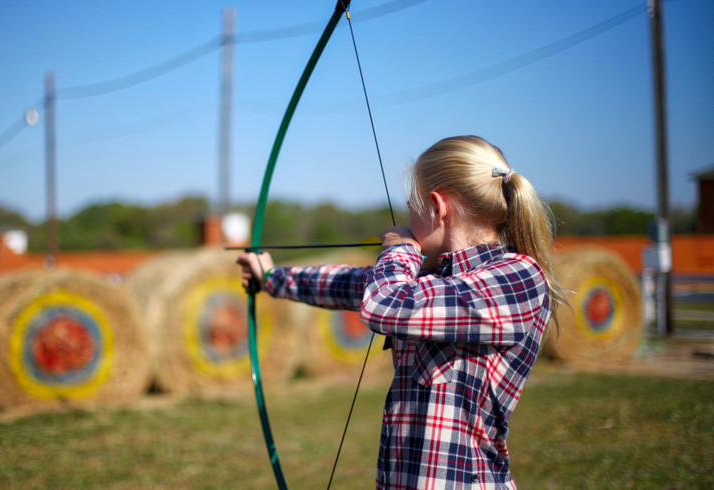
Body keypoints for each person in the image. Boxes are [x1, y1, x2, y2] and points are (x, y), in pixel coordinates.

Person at [237, 135, 566, 489]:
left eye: (412, 205)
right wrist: (272, 277)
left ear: (437, 207)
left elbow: (384, 304)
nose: (407, 216)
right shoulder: (433, 280)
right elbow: (353, 284)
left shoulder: (517, 278)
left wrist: (401, 249)